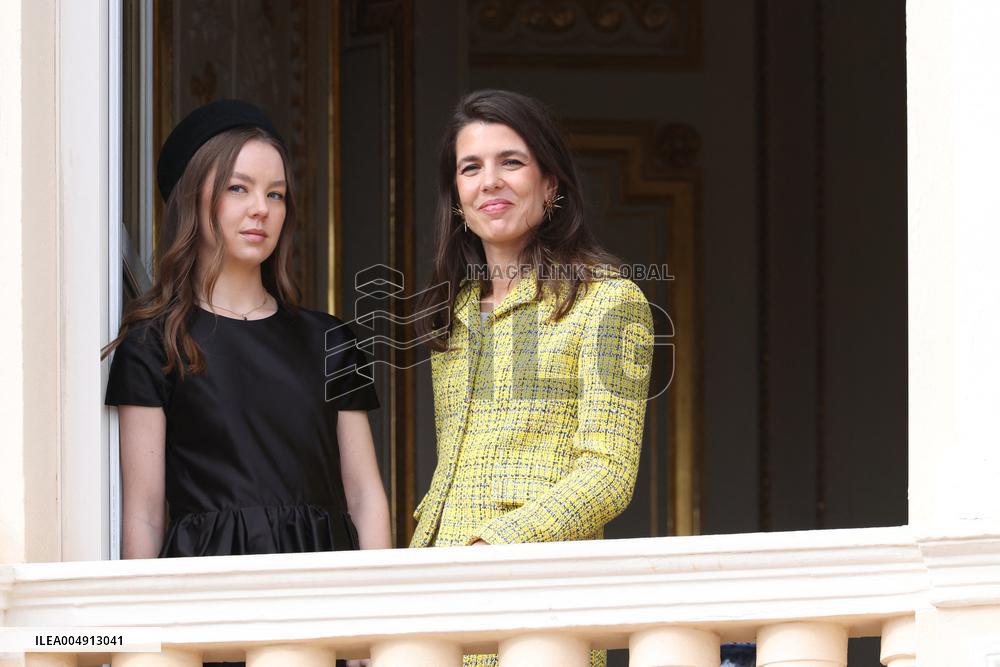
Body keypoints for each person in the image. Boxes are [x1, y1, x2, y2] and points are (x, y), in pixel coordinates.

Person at [103, 99, 390, 664]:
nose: (260, 209)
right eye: (239, 188)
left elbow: (364, 493)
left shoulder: (331, 339)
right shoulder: (152, 343)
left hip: (321, 588)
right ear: (194, 198)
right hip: (208, 597)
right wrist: (139, 634)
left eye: (275, 193)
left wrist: (371, 624)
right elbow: (143, 509)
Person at [411, 89, 654, 667]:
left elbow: (608, 472)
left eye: (511, 162)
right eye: (471, 168)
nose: (489, 181)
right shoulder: (454, 313)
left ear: (552, 186)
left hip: (541, 601)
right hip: (438, 603)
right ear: (457, 200)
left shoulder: (608, 303)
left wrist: (495, 546)